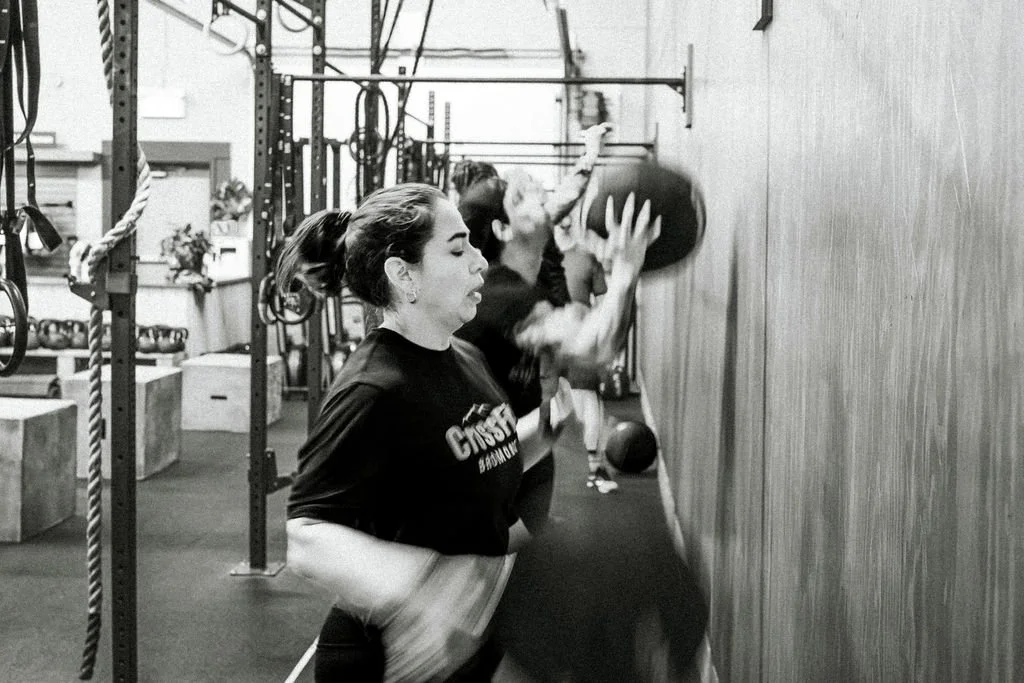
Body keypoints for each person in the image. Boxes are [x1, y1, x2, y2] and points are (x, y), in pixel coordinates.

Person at [276, 183, 578, 681]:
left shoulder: (465, 357)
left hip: (462, 649)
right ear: (403, 275)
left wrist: (541, 431)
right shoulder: (374, 387)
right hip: (384, 660)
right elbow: (306, 536)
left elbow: (475, 458)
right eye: (458, 249)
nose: (480, 262)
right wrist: (423, 591)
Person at [457, 162, 661, 535]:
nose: (537, 194)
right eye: (519, 198)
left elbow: (600, 342)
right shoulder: (500, 297)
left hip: (517, 450)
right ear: (503, 229)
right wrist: (626, 268)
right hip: (477, 472)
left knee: (522, 553)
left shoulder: (526, 278)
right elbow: (596, 346)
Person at [553, 213, 618, 494]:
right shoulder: (541, 260)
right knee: (545, 410)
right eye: (561, 216)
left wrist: (600, 340)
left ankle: (596, 468)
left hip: (579, 344)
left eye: (570, 216)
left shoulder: (586, 258)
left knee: (589, 402)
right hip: (545, 344)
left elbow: (604, 305)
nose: (565, 221)